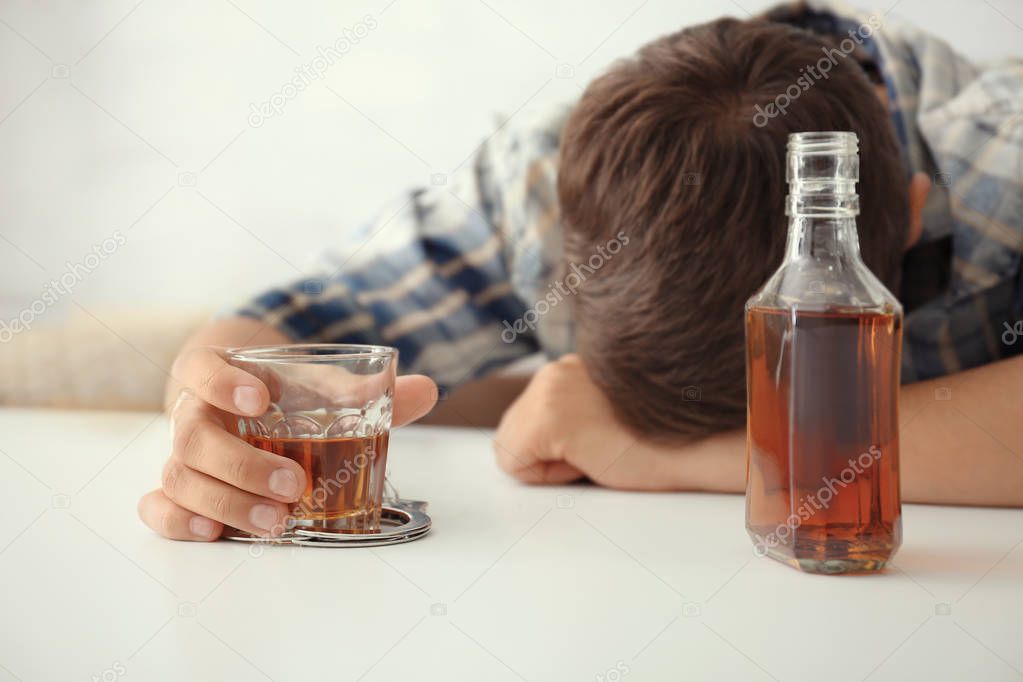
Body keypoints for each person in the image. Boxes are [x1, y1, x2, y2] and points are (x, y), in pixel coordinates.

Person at [139, 0, 1023, 540]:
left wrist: (681, 457)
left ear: (907, 218)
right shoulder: (543, 185)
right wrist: (220, 408)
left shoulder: (1003, 161)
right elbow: (285, 322)